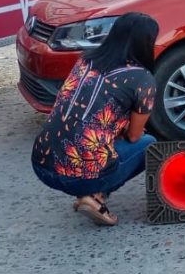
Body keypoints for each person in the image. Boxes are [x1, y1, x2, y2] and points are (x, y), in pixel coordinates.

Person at [31, 13, 160, 226]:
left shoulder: (86, 59)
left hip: (41, 164)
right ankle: (96, 195)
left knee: (96, 135)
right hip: (78, 178)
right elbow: (135, 135)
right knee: (148, 145)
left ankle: (91, 192)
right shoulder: (142, 79)